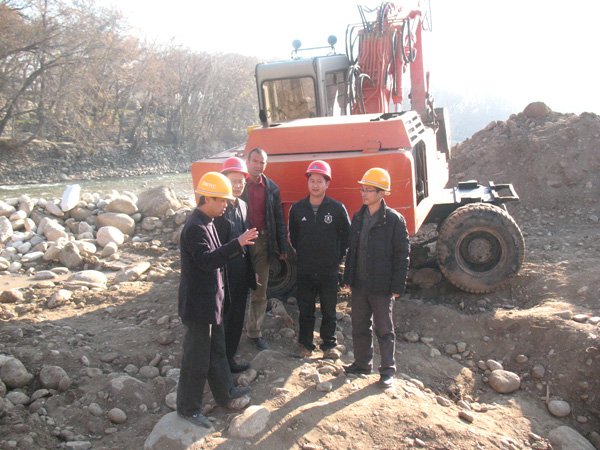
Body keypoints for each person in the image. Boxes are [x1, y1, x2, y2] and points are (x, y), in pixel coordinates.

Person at [177, 172, 259, 428]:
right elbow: (207, 261)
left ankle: (226, 394)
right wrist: (237, 244)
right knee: (196, 359)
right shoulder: (195, 227)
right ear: (207, 199)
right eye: (221, 200)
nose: (226, 204)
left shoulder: (209, 222)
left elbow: (215, 261)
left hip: (212, 304)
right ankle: (188, 409)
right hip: (198, 307)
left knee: (217, 352)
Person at [343, 168, 410, 388]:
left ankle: (388, 370)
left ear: (381, 193)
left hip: (382, 286)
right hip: (360, 283)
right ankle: (362, 364)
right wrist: (348, 276)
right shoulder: (358, 217)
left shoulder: (394, 220)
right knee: (359, 326)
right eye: (362, 189)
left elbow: (402, 255)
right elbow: (352, 249)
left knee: (384, 329)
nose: (363, 194)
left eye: (368, 190)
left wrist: (397, 286)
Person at [288, 160, 350, 358]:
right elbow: (294, 237)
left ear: (327, 184)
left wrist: (336, 256)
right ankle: (305, 345)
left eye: (319, 181)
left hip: (328, 270)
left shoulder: (337, 209)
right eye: (312, 181)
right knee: (305, 310)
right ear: (307, 183)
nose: (315, 185)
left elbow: (347, 236)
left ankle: (329, 345)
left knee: (329, 310)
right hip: (305, 269)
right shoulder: (297, 209)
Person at [241, 147, 287, 350]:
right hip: (240, 241)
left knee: (260, 290)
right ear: (247, 161)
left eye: (262, 162)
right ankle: (228, 328)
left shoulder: (272, 188)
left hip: (263, 241)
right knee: (235, 287)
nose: (258, 166)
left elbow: (278, 218)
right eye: (255, 161)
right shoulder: (238, 186)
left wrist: (282, 246)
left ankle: (254, 332)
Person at [214, 157, 256, 374]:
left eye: (241, 181)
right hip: (222, 272)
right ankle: (218, 362)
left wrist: (252, 270)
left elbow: (247, 241)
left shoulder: (243, 205)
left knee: (238, 315)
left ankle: (229, 357)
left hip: (240, 270)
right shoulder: (217, 208)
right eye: (234, 181)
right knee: (223, 317)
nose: (238, 185)